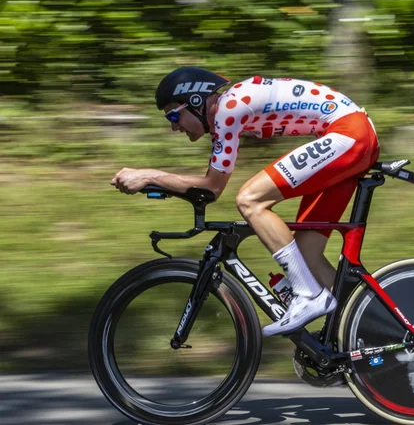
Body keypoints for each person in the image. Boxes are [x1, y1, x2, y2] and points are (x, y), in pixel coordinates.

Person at [111, 67, 380, 336]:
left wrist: (148, 175)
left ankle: (308, 296)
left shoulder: (229, 108)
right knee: (307, 251)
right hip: (352, 137)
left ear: (194, 101)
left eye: (173, 115)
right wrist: (156, 183)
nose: (173, 126)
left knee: (250, 199)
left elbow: (213, 187)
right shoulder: (229, 110)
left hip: (349, 134)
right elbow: (208, 190)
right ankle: (365, 334)